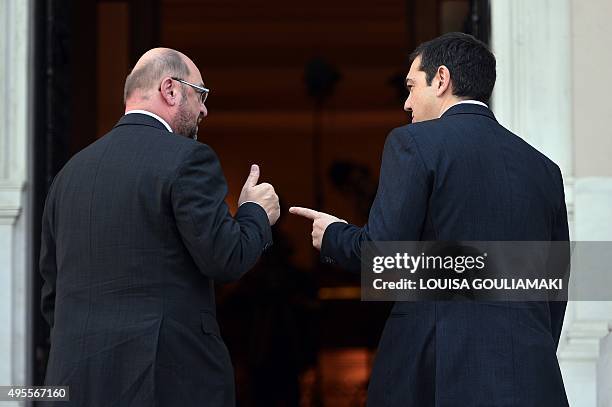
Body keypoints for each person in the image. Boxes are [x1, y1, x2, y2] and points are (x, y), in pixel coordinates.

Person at [290, 32, 569, 406]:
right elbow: (553, 288)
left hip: (438, 374)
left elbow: (383, 255)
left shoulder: (414, 143)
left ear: (441, 79)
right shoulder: (545, 169)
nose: (406, 103)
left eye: (411, 86)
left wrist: (333, 235)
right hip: (529, 374)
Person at [39, 48, 280, 406]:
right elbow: (225, 258)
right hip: (161, 384)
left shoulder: (68, 174)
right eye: (201, 94)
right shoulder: (188, 158)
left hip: (75, 384)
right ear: (170, 89)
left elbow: (51, 295)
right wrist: (254, 213)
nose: (204, 110)